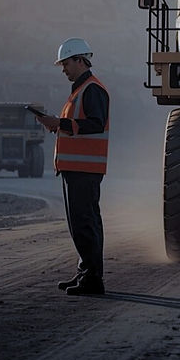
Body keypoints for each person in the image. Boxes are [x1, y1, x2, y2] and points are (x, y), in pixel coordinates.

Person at [37, 37, 109, 296]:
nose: (63, 69)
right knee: (80, 224)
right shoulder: (81, 90)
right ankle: (85, 273)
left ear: (80, 60)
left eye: (66, 63)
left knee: (85, 223)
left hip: (84, 171)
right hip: (76, 169)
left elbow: (95, 124)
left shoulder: (92, 90)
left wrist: (60, 124)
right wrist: (57, 124)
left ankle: (92, 279)